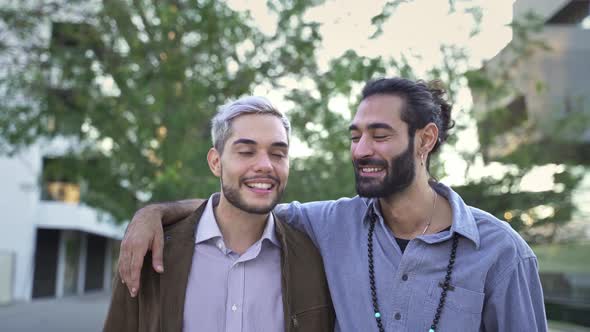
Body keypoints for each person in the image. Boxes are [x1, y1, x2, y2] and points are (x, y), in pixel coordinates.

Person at [117, 78, 548, 331]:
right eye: (355, 135)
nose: (361, 150)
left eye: (379, 136)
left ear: (425, 140)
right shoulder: (331, 224)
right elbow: (247, 200)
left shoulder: (502, 253)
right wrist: (153, 213)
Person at [104, 96, 334, 331]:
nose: (266, 165)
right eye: (246, 151)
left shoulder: (312, 258)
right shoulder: (154, 251)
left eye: (278, 154)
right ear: (215, 162)